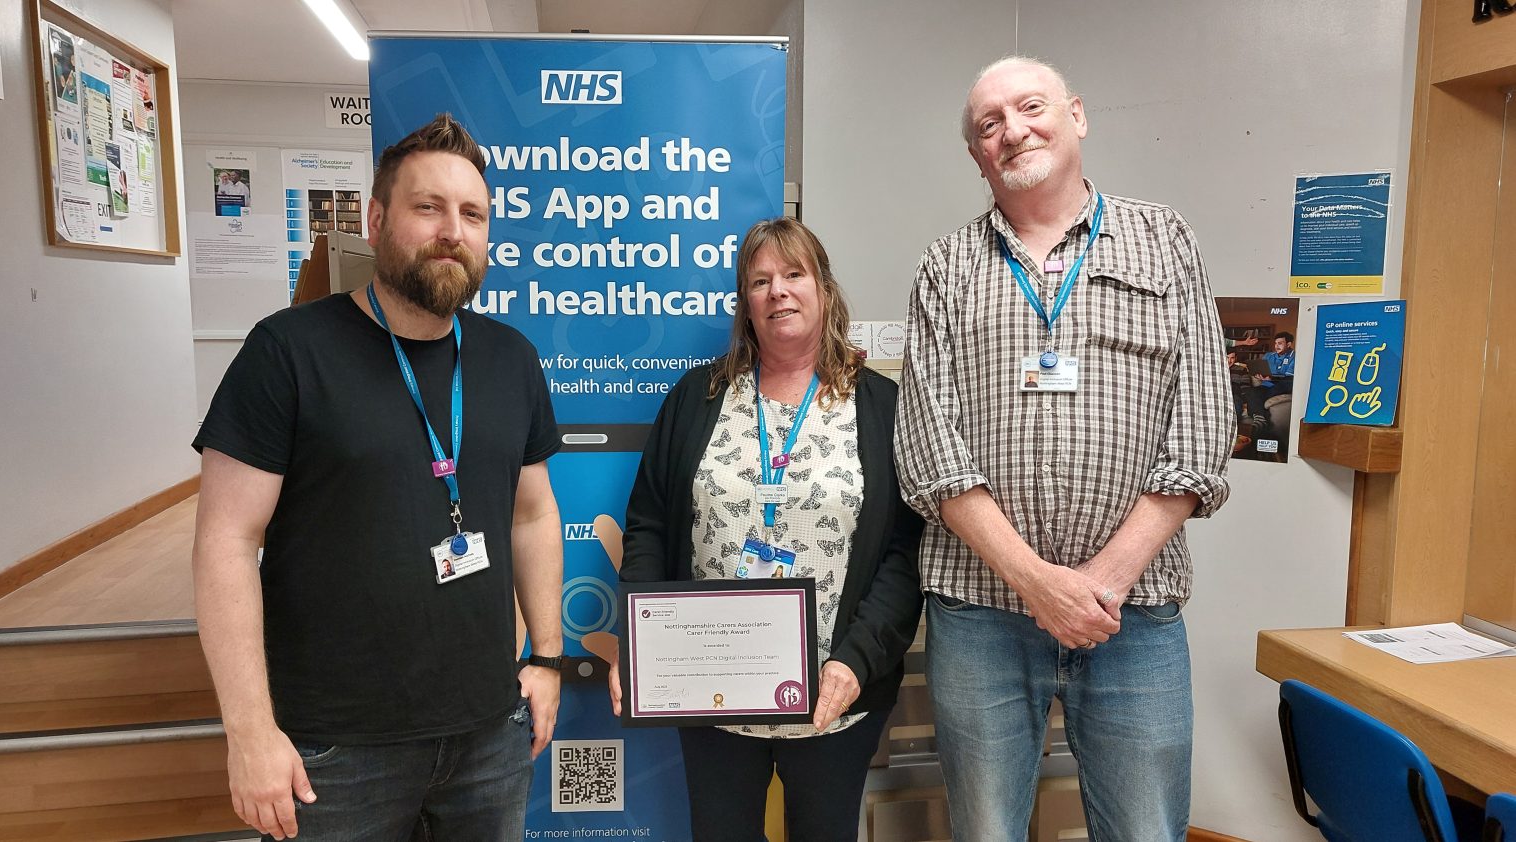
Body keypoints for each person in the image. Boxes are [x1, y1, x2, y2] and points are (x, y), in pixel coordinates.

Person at [191, 113, 565, 842]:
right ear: (376, 217)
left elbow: (533, 514)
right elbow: (225, 542)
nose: (452, 230)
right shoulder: (288, 352)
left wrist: (547, 657)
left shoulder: (511, 359)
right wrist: (249, 731)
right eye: (429, 208)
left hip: (490, 735)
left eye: (472, 214)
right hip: (334, 750)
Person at [895, 57, 1233, 841]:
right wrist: (1037, 583)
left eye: (1030, 107)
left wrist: (1102, 584)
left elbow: (1203, 426)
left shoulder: (1164, 239)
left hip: (1134, 614)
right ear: (977, 155)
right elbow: (929, 450)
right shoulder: (945, 268)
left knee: (1146, 830)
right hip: (980, 612)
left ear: (1075, 115)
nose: (1012, 130)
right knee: (984, 830)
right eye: (989, 124)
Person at [614, 217, 924, 842]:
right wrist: (637, 640)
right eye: (760, 280)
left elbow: (904, 552)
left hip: (833, 698)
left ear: (824, 290)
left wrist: (854, 663)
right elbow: (648, 523)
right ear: (745, 304)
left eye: (793, 274)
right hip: (712, 696)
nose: (777, 291)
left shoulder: (880, 406)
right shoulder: (696, 397)